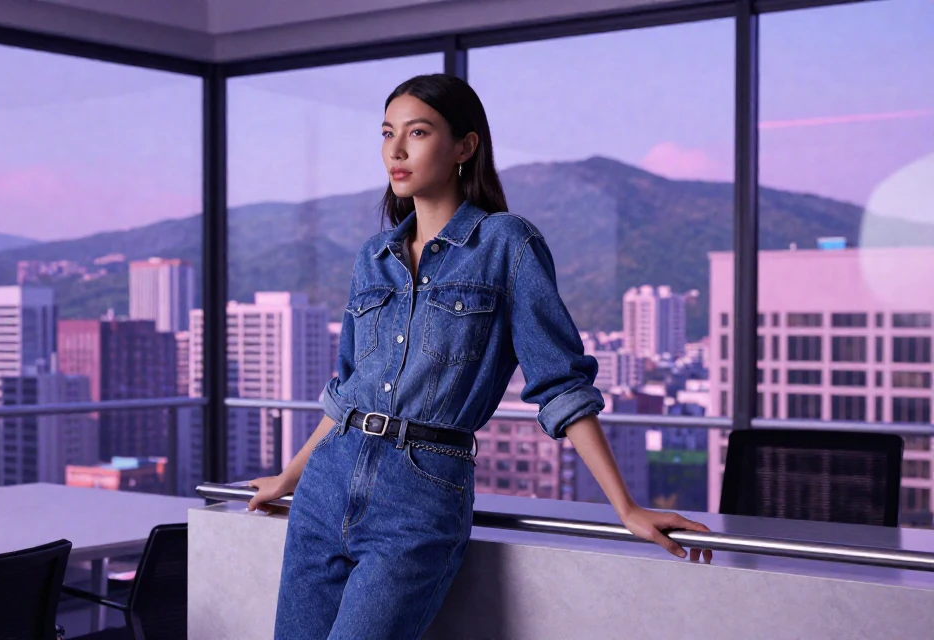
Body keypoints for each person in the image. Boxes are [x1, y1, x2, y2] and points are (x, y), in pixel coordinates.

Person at [247, 73, 712, 640]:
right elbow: (348, 392)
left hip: (418, 496)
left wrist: (626, 507)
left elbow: (561, 384)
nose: (396, 151)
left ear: (465, 146)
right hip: (326, 485)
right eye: (388, 133)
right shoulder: (375, 256)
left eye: (418, 133)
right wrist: (290, 477)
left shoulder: (507, 244)